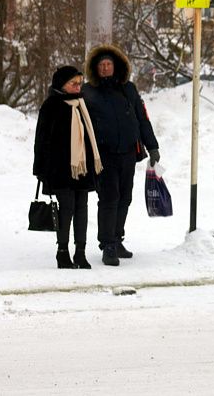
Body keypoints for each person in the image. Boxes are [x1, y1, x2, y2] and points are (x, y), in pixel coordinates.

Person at [82, 44, 160, 267]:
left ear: (116, 67)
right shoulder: (88, 92)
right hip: (103, 155)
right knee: (109, 198)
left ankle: (117, 239)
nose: (105, 68)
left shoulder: (129, 89)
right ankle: (107, 244)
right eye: (101, 65)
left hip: (127, 153)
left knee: (125, 198)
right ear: (95, 69)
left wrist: (152, 146)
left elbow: (142, 119)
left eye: (109, 64)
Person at [33, 66, 103, 269]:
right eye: (73, 83)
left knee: (82, 208)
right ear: (61, 84)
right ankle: (62, 252)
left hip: (81, 169)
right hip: (60, 169)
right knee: (66, 209)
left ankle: (80, 253)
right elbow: (41, 140)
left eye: (79, 83)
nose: (77, 87)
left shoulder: (82, 104)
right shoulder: (51, 106)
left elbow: (90, 137)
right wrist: (41, 170)